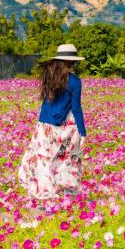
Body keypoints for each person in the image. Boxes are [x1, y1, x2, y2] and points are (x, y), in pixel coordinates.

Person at [18, 44, 87, 200]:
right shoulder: (75, 81)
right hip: (62, 127)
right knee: (65, 158)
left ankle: (43, 193)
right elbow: (76, 109)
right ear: (72, 62)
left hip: (43, 125)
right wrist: (82, 133)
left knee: (43, 158)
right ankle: (63, 191)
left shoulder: (49, 76)